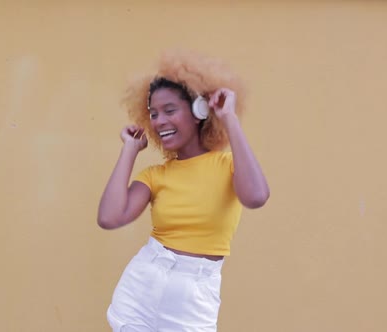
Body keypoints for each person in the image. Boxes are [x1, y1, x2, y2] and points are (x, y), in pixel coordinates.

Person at [97, 50, 270, 331]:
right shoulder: (156, 176)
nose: (159, 121)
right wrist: (129, 150)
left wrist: (229, 118)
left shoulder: (228, 165)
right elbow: (110, 217)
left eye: (169, 110)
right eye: (153, 114)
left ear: (199, 111)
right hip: (142, 286)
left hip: (194, 298)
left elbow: (256, 197)